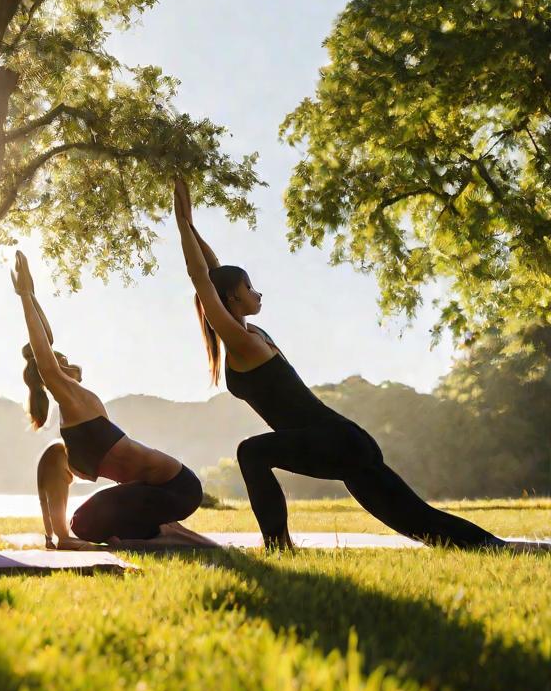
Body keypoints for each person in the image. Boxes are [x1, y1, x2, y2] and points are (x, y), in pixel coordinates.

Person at [173, 175, 534, 553]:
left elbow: (206, 278)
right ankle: (498, 546)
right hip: (335, 440)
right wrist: (187, 222)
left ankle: (279, 547)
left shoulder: (247, 340)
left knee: (253, 453)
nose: (257, 292)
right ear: (233, 298)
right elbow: (208, 277)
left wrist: (185, 223)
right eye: (249, 288)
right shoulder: (243, 338)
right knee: (415, 519)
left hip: (337, 441)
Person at [12, 250, 205, 548]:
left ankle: (167, 533)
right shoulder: (69, 416)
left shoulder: (77, 400)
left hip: (178, 488)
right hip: (154, 490)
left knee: (86, 523)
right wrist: (29, 296)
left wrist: (27, 296)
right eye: (58, 360)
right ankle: (155, 531)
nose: (64, 362)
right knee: (78, 510)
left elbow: (44, 352)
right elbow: (44, 351)